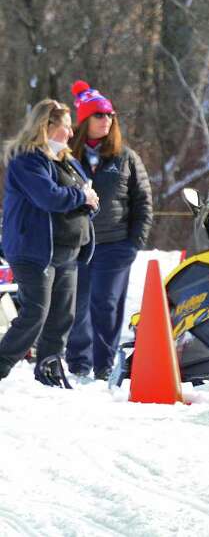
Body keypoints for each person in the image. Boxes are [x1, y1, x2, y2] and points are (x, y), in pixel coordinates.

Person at [0, 99, 98, 387]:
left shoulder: (69, 161)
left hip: (68, 251)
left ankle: (49, 368)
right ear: (46, 127)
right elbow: (49, 197)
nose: (70, 134)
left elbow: (89, 196)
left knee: (62, 317)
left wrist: (89, 201)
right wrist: (83, 198)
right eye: (65, 127)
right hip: (35, 252)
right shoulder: (26, 161)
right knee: (35, 313)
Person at [63, 81, 153, 382]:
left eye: (110, 115)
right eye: (99, 115)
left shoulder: (125, 157)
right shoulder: (65, 157)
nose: (106, 120)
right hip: (76, 244)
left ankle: (103, 366)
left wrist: (134, 243)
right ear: (85, 120)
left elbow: (144, 202)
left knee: (106, 304)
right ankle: (78, 363)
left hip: (115, 244)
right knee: (77, 304)